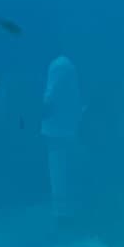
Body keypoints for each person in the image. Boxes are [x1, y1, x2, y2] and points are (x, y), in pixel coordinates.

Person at [40, 53, 84, 223]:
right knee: (66, 169)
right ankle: (70, 211)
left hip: (57, 129)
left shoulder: (57, 65)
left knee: (58, 170)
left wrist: (37, 112)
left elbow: (49, 97)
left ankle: (63, 214)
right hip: (67, 126)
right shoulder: (67, 64)